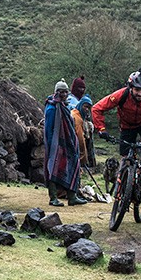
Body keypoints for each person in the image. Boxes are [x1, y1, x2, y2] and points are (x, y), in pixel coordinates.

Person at [90, 66, 141, 195]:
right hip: (127, 125)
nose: (140, 94)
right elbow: (97, 108)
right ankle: (124, 189)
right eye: (137, 90)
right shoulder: (121, 95)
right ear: (130, 88)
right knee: (125, 159)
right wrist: (101, 129)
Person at [43, 79, 88, 207]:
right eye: (60, 92)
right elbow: (49, 129)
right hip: (55, 144)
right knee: (53, 167)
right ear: (56, 92)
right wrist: (53, 146)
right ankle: (53, 198)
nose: (63, 95)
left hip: (68, 143)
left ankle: (72, 197)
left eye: (65, 92)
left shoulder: (65, 106)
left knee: (73, 165)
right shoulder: (51, 108)